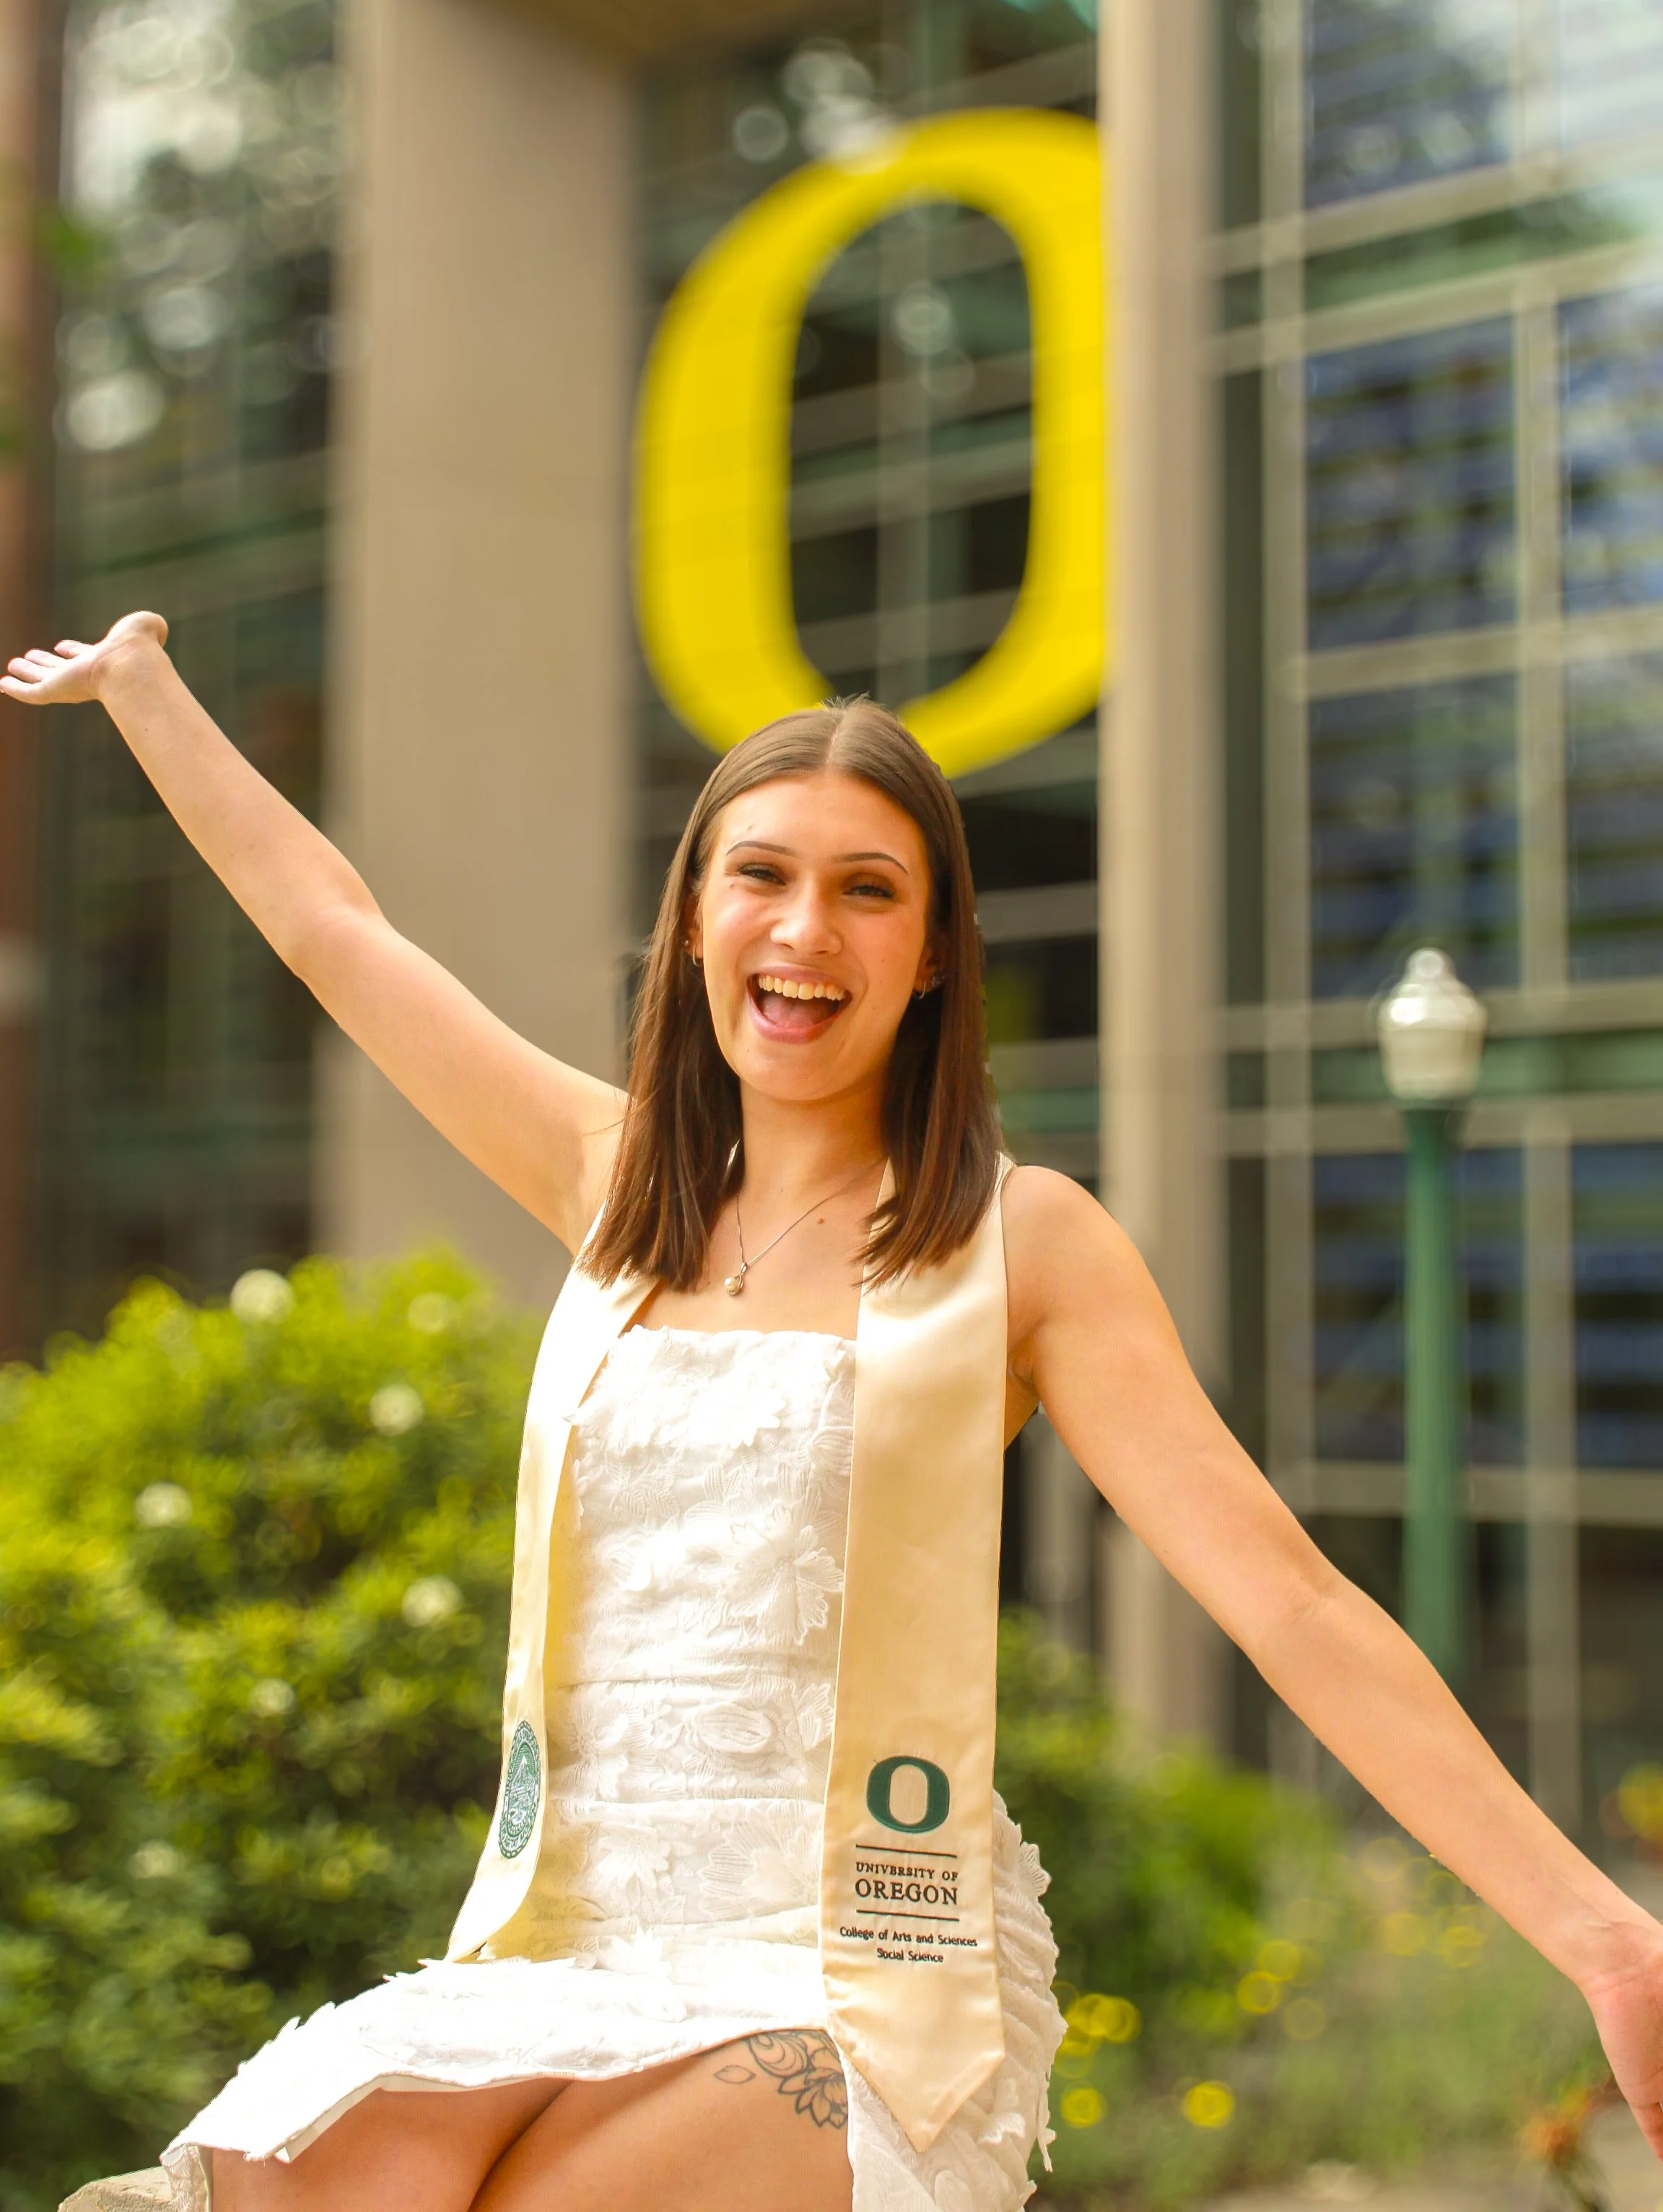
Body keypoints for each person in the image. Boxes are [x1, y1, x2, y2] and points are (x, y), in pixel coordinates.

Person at [8, 611, 1663, 2212]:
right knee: (281, 2175)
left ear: (931, 954)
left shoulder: (1021, 1246)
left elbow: (1292, 1606)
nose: (806, 929)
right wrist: (147, 691)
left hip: (865, 1964)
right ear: (695, 917)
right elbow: (333, 928)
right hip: (565, 1949)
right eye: (764, 876)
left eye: (868, 890)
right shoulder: (611, 1185)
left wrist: (1606, 1940)